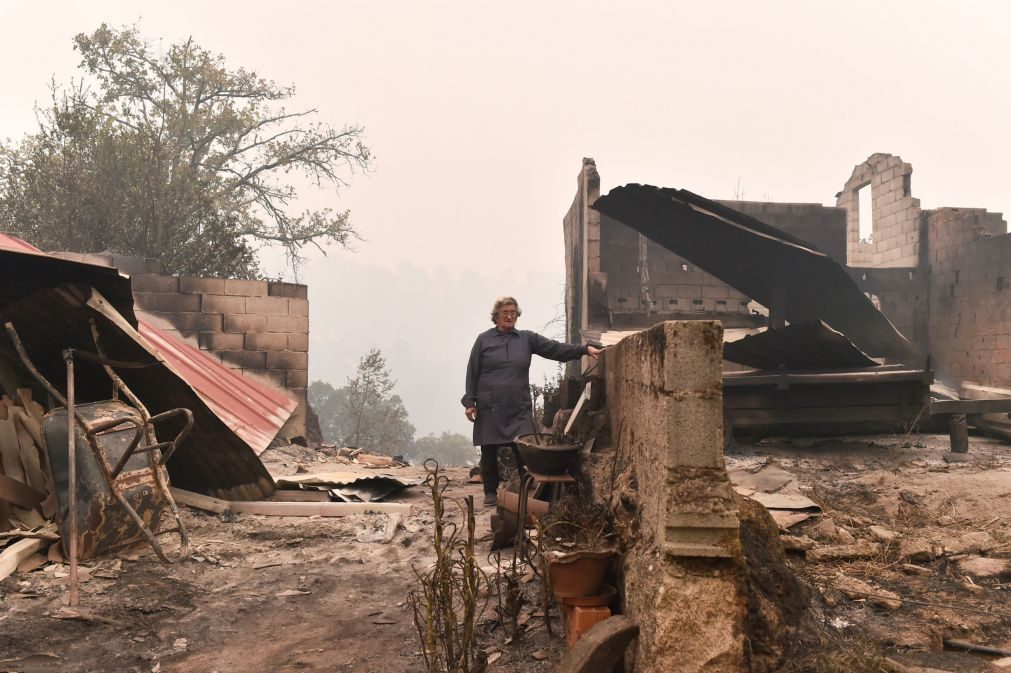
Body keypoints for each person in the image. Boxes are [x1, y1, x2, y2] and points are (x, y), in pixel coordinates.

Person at [461, 296, 601, 507]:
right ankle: (490, 491)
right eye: (505, 312)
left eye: (513, 313)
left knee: (524, 450)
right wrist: (470, 401)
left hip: (518, 405)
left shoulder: (526, 339)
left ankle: (527, 491)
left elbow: (555, 349)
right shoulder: (483, 340)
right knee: (488, 450)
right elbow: (472, 372)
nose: (510, 316)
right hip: (490, 405)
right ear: (496, 316)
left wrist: (584, 349)